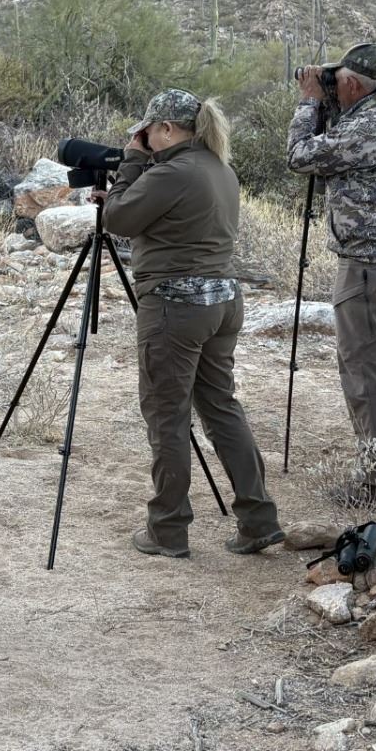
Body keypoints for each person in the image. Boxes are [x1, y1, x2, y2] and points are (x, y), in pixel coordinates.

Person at [101, 89, 285, 558]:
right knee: (221, 407)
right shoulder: (219, 168)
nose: (144, 141)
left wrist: (130, 165)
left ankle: (167, 528)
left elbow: (117, 219)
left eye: (148, 132)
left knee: (168, 415)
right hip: (222, 301)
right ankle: (258, 518)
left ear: (166, 128)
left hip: (175, 306)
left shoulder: (172, 172)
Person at [286, 41, 376, 507]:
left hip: (370, 265)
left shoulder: (367, 127)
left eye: (338, 81)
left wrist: (309, 102)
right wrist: (328, 104)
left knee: (365, 372)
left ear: (351, 83)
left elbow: (301, 157)